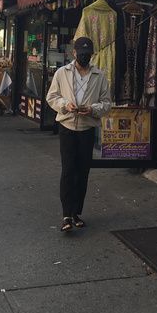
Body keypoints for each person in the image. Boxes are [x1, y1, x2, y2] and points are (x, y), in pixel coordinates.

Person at [46, 37, 112, 233]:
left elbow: (107, 103)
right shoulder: (62, 73)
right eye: (81, 53)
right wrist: (65, 105)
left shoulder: (99, 76)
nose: (84, 57)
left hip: (87, 128)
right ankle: (66, 215)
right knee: (68, 170)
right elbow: (52, 96)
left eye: (87, 54)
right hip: (67, 127)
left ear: (92, 55)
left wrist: (92, 109)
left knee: (83, 172)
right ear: (74, 53)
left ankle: (76, 213)